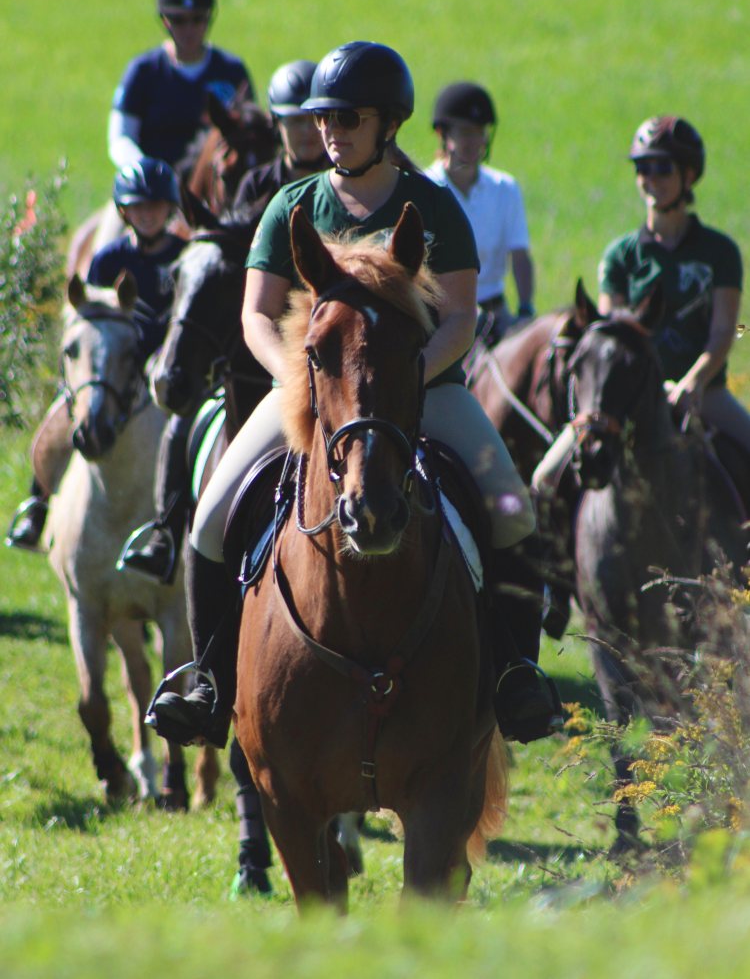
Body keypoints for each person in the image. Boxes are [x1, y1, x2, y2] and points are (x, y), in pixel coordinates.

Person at [147, 40, 562, 751]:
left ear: (388, 123)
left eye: (348, 117)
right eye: (325, 116)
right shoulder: (291, 206)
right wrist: (297, 376)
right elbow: (255, 313)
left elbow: (462, 315)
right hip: (310, 398)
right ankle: (209, 681)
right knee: (210, 519)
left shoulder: (432, 206)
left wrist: (409, 373)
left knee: (512, 511)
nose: (330, 129)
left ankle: (516, 676)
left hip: (428, 391)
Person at [120, 59, 330, 584]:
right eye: (293, 122)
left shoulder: (345, 186)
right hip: (260, 343)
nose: (304, 132)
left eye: (312, 121)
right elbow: (244, 264)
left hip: (333, 342)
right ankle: (167, 532)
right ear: (278, 125)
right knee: (186, 417)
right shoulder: (260, 182)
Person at [6, 159, 186, 551]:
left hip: (171, 368)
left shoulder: (185, 257)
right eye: (138, 207)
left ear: (170, 208)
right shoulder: (108, 259)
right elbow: (90, 323)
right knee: (61, 414)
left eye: (155, 206)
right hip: (112, 367)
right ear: (124, 212)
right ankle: (37, 504)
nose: (148, 214)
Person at [598, 115, 750, 451]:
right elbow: (610, 336)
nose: (651, 178)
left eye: (663, 168)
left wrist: (692, 384)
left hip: (705, 393)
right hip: (630, 399)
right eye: (642, 168)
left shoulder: (720, 252)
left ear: (689, 174)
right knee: (547, 475)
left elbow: (725, 331)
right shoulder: (619, 256)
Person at [92, 0, 254, 251]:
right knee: (105, 247)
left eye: (197, 19)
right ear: (164, 21)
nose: (189, 29)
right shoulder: (143, 72)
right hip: (148, 193)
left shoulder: (230, 70)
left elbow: (250, 131)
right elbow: (120, 138)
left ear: (209, 19)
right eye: (178, 20)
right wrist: (147, 174)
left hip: (215, 191)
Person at [425, 81, 535, 341]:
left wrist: (526, 308)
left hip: (496, 314)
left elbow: (519, 254)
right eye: (465, 132)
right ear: (443, 133)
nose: (474, 141)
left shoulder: (505, 188)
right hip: (441, 318)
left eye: (480, 131)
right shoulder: (424, 189)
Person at [232, 59, 331, 213]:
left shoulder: (348, 182)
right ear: (276, 123)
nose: (308, 130)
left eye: (316, 118)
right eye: (297, 120)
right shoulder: (257, 186)